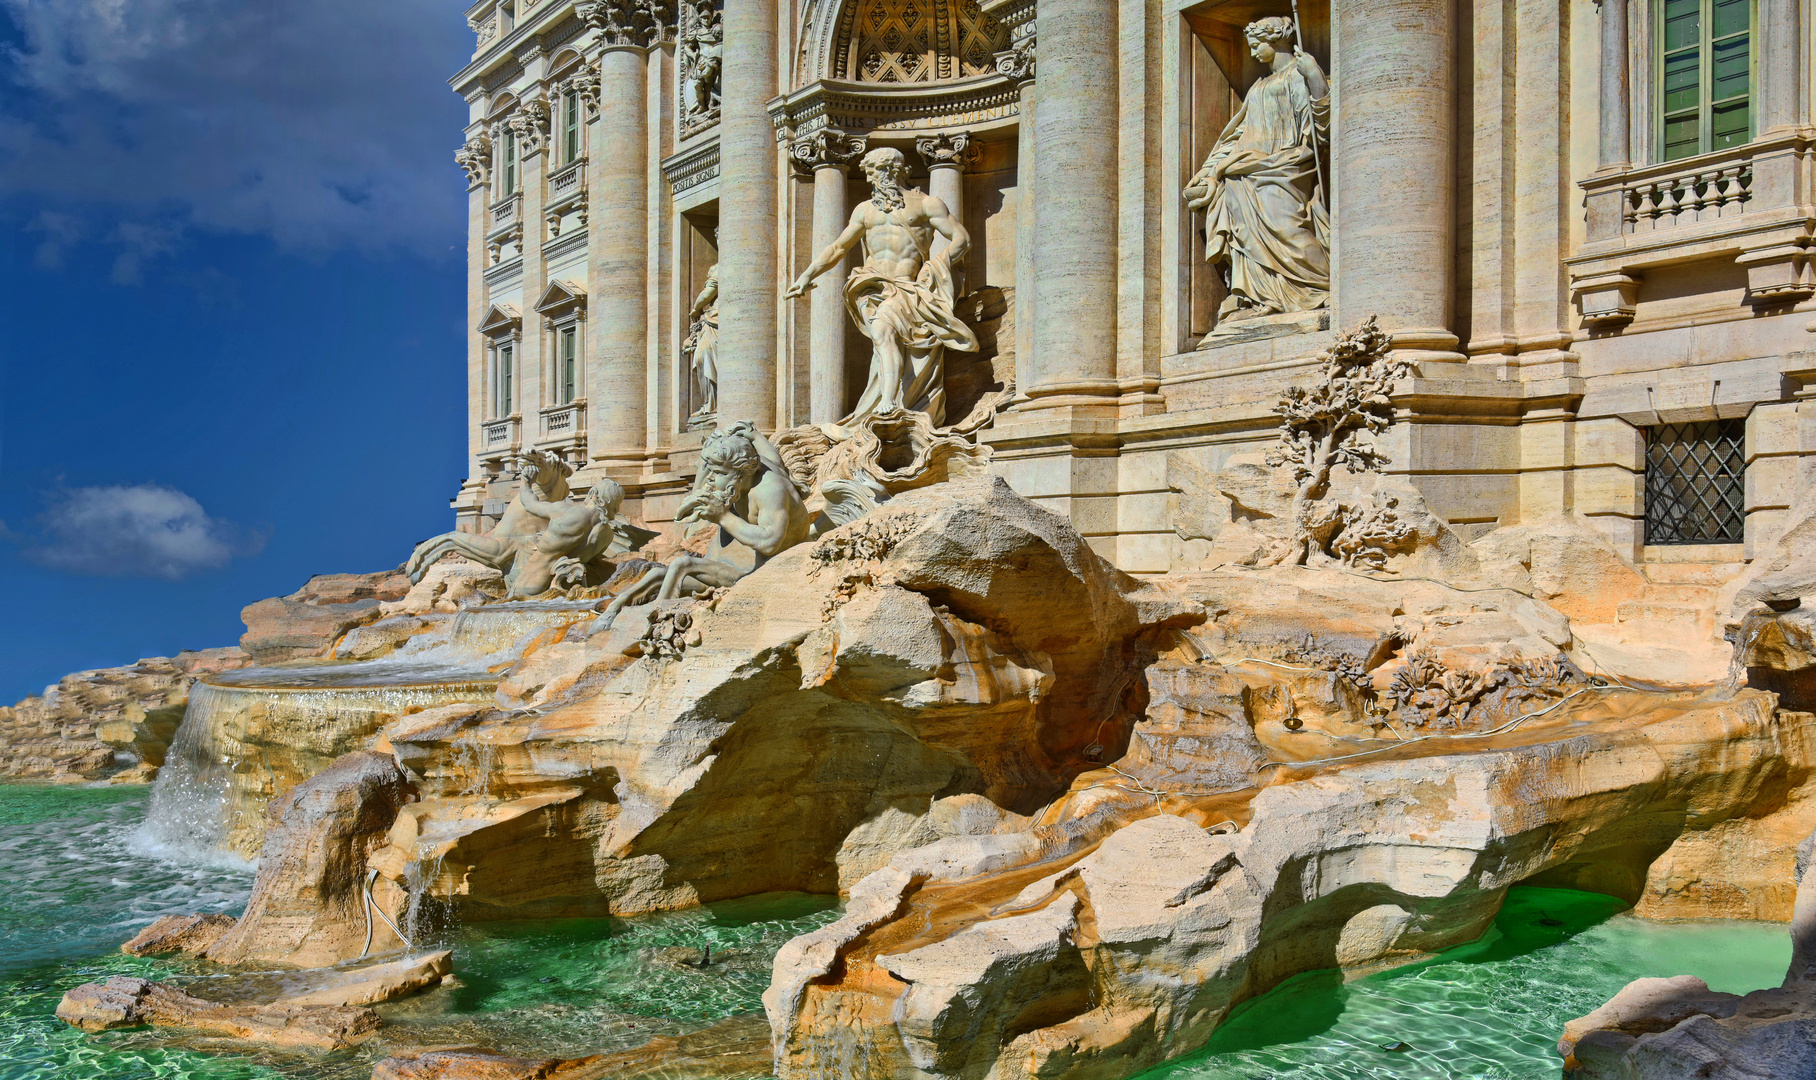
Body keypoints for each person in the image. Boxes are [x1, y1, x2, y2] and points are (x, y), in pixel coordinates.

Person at [783, 146, 977, 438]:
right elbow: (838, 247)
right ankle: (886, 401)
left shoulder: (927, 204)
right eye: (869, 173)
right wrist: (806, 276)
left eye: (874, 171)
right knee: (882, 335)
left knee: (889, 337)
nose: (871, 178)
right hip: (871, 286)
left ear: (893, 170)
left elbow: (961, 239)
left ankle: (892, 402)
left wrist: (936, 265)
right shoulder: (865, 210)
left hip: (907, 287)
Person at [1182, 16, 1330, 325]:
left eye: (1256, 45)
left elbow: (1320, 129)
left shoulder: (1298, 75)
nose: (1251, 54)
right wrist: (1210, 171)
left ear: (1276, 42)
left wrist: (1315, 77)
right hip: (1245, 172)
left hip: (1286, 165)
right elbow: (1237, 135)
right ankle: (1266, 296)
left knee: (1287, 226)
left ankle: (1321, 285)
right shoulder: (1259, 86)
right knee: (1246, 234)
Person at [596, 422, 809, 624]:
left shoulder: (770, 490)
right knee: (658, 573)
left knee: (682, 564)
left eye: (718, 473)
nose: (711, 480)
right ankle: (615, 608)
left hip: (772, 572)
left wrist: (723, 517)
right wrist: (752, 432)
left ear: (741, 473)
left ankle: (659, 621)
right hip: (750, 562)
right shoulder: (754, 471)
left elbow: (770, 542)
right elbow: (774, 457)